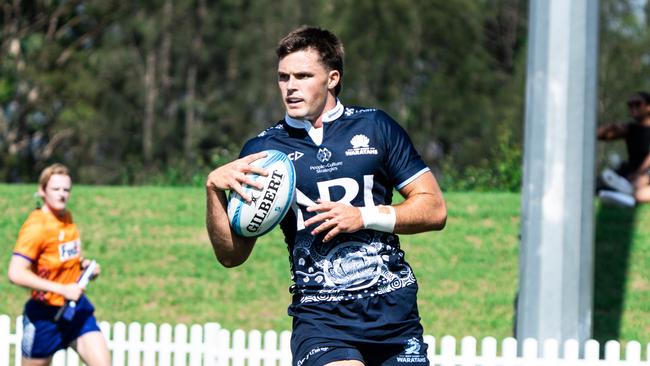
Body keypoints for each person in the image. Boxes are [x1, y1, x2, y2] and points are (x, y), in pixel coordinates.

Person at [205, 26, 447, 365]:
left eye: (303, 76)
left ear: (332, 78)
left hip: (394, 315)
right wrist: (214, 191)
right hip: (322, 320)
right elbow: (232, 255)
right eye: (283, 77)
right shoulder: (263, 152)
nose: (290, 87)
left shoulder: (376, 127)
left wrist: (363, 216)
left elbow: (434, 209)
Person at [7, 163, 110, 366]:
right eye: (56, 189)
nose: (62, 194)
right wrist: (62, 289)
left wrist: (83, 266)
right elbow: (16, 273)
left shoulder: (66, 218)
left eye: (66, 189)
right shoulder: (36, 227)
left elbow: (59, 257)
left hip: (75, 309)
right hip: (44, 317)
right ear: (42, 190)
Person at [597, 91, 650, 207]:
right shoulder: (631, 129)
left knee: (640, 188)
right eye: (630, 105)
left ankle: (626, 193)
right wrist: (610, 127)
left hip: (643, 174)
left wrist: (640, 173)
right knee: (598, 183)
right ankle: (625, 192)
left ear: (648, 107)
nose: (633, 108)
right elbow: (600, 134)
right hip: (631, 173)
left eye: (637, 104)